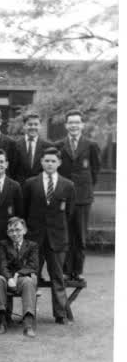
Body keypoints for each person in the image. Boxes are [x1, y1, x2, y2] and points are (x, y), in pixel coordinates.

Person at [23, 147, 76, 324]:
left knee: (57, 277)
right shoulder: (31, 183)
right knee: (32, 277)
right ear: (41, 162)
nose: (50, 164)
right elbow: (24, 210)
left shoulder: (68, 185)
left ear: (59, 163)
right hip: (34, 238)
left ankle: (60, 314)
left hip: (57, 238)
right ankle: (29, 313)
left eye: (53, 161)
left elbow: (69, 213)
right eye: (47, 160)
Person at [56, 109, 101, 281]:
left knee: (80, 235)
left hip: (83, 197)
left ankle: (78, 270)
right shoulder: (59, 145)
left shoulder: (91, 145)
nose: (74, 125)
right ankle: (66, 270)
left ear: (82, 125)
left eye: (77, 122)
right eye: (71, 122)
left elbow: (95, 171)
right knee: (66, 234)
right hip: (64, 197)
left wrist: (85, 189)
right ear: (66, 125)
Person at [0, 217, 39, 337]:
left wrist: (18, 274)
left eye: (18, 230)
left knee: (28, 281)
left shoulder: (32, 245)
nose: (14, 233)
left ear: (25, 230)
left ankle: (28, 325)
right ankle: (2, 321)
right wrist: (9, 278)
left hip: (22, 278)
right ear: (7, 232)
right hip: (5, 277)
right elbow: (2, 264)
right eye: (11, 231)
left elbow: (33, 265)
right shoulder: (2, 244)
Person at [11, 111, 53, 184]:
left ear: (40, 126)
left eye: (36, 124)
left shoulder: (48, 146)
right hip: (20, 187)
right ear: (24, 126)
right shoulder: (15, 145)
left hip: (40, 186)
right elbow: (12, 170)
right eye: (30, 124)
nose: (33, 127)